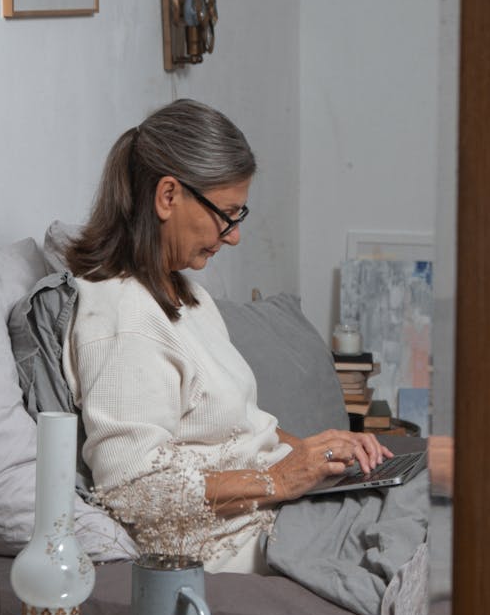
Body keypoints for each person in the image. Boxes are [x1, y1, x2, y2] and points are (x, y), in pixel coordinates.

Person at [62, 99, 391, 573]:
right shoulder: (122, 318)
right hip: (242, 541)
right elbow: (132, 490)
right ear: (168, 196)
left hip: (278, 512)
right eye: (227, 214)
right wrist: (281, 478)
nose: (233, 236)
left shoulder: (183, 292)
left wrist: (313, 452)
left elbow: (236, 423)